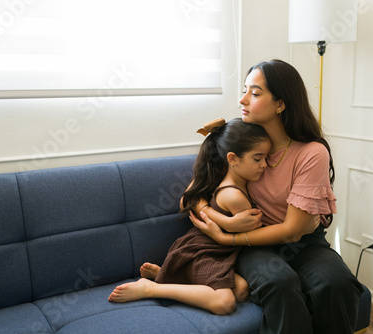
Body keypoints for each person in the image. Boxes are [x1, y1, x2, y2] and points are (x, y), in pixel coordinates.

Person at [189, 59, 364, 333]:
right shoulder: (241, 145)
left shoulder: (311, 152)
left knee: (337, 283)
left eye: (255, 93)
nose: (242, 99)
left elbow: (294, 232)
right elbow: (195, 196)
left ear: (280, 104)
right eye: (245, 90)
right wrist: (223, 221)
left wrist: (227, 236)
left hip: (305, 245)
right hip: (255, 247)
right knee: (279, 282)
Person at [108, 118, 272, 315]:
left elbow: (192, 200)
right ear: (233, 159)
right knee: (225, 303)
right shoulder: (234, 195)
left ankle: (169, 274)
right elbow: (187, 200)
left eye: (266, 158)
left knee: (243, 290)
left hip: (219, 252)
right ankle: (151, 288)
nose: (265, 165)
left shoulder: (224, 175)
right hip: (203, 251)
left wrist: (224, 223)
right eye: (258, 159)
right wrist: (228, 222)